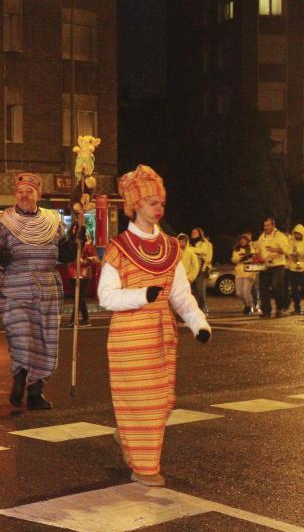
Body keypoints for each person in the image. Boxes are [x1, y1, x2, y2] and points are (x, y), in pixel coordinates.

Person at [98, 165, 211, 488]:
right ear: (135, 206)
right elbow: (106, 297)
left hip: (162, 335)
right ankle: (144, 468)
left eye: (161, 203)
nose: (159, 209)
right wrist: (141, 295)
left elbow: (181, 295)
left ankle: (126, 436)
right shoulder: (119, 248)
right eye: (151, 203)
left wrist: (198, 324)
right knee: (141, 403)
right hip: (129, 337)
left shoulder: (171, 248)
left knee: (162, 402)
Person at [0, 173, 79, 410]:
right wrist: (0, 256)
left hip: (48, 287)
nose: (25, 195)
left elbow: (65, 255)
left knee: (45, 340)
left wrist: (76, 242)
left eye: (30, 191)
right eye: (20, 191)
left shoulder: (52, 220)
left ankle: (36, 392)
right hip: (16, 285)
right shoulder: (3, 221)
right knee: (22, 335)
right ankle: (19, 380)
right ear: (15, 194)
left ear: (38, 193)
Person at [255, 217, 290, 318]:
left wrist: (274, 249)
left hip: (278, 265)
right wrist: (258, 255)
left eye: (267, 225)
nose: (265, 227)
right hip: (265, 265)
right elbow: (258, 249)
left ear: (273, 225)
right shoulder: (262, 236)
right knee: (263, 288)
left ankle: (280, 308)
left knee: (276, 287)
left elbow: (286, 250)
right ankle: (266, 311)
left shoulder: (279, 236)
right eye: (264, 225)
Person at [67, 229, 99, 328]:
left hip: (84, 274)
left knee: (79, 298)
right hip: (72, 274)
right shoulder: (70, 244)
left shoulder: (88, 244)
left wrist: (84, 260)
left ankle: (73, 320)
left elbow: (95, 259)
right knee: (80, 298)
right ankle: (85, 319)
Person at [231, 233, 259, 315]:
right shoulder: (236, 249)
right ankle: (247, 304)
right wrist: (241, 258)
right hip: (239, 272)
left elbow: (254, 255)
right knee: (239, 293)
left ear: (247, 241)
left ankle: (249, 307)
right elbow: (234, 259)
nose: (242, 241)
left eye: (244, 239)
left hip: (249, 272)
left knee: (246, 291)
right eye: (241, 239)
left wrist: (249, 255)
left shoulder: (251, 248)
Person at [189, 227, 213, 315]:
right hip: (191, 269)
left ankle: (203, 307)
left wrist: (191, 250)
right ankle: (194, 309)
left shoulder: (204, 243)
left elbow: (204, 252)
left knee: (200, 289)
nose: (193, 233)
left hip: (202, 268)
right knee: (191, 290)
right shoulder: (189, 243)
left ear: (200, 233)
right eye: (192, 232)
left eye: (195, 232)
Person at [286, 224, 304, 315]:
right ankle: (297, 308)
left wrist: (299, 254)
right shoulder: (291, 241)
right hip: (293, 269)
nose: (297, 235)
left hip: (303, 269)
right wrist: (291, 254)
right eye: (296, 234)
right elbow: (288, 251)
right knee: (294, 290)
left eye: (299, 234)